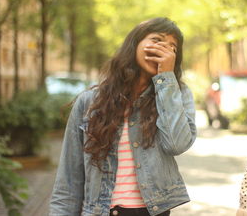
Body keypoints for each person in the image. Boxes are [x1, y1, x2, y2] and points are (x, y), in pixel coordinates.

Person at [49, 17, 196, 216]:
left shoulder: (176, 95)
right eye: (157, 40)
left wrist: (166, 80)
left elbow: (176, 144)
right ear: (135, 44)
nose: (164, 50)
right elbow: (68, 182)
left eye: (172, 48)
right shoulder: (90, 102)